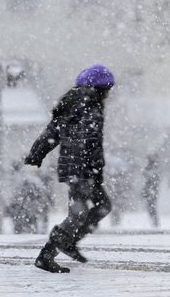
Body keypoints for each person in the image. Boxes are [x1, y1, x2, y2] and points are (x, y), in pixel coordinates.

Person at [25, 64, 115, 273]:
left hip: (77, 168)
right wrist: (89, 170)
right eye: (107, 89)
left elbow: (51, 133)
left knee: (99, 207)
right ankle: (48, 254)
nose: (109, 94)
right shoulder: (88, 106)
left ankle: (68, 241)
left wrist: (35, 154)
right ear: (99, 88)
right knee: (82, 212)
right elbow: (86, 141)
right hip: (80, 170)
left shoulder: (74, 104)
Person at [142, 154, 161, 229]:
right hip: (151, 189)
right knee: (151, 206)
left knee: (151, 206)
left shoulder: (151, 168)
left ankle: (155, 223)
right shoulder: (153, 168)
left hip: (151, 189)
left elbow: (150, 177)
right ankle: (154, 222)